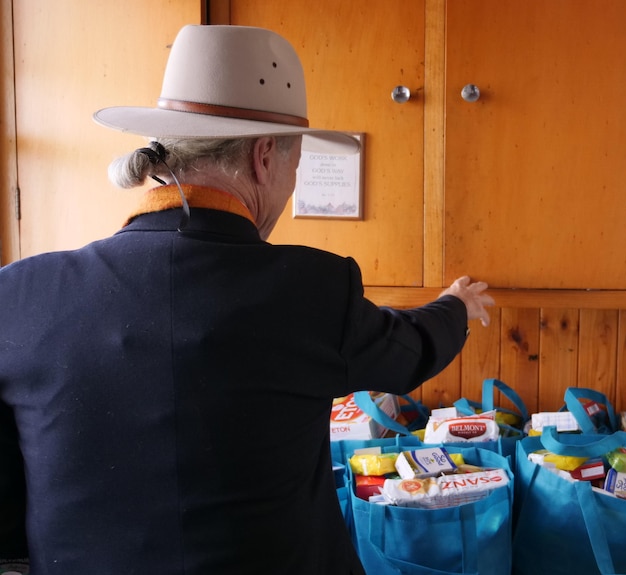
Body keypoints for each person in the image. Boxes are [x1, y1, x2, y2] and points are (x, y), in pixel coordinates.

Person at [0, 25, 494, 575]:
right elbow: (408, 351)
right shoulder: (311, 289)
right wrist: (455, 305)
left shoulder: (18, 293)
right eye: (295, 165)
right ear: (265, 157)